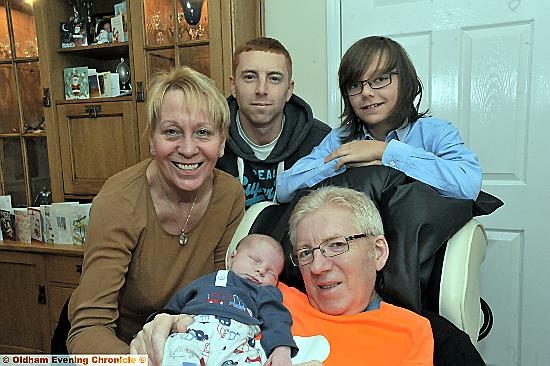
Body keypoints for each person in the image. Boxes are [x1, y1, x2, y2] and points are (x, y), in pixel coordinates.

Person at [130, 186, 434, 366]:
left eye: (336, 245)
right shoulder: (269, 295)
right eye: (305, 253)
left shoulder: (411, 331)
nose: (317, 267)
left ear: (378, 252)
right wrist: (166, 322)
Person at [67, 66, 245, 353]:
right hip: (123, 348)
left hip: (187, 345)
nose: (188, 149)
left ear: (222, 142)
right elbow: (89, 327)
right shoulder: (119, 201)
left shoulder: (229, 195)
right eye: (172, 132)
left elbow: (216, 296)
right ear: (152, 140)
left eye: (203, 132)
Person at [276, 36, 482, 204]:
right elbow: (284, 188)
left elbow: (468, 186)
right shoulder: (339, 138)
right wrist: (345, 161)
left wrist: (384, 152)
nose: (366, 92)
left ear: (405, 81)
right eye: (355, 85)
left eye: (380, 80)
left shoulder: (436, 132)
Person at [216, 37, 331, 208]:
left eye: (274, 79)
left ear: (289, 90)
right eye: (249, 77)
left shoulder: (319, 141)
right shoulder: (211, 138)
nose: (261, 90)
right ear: (233, 86)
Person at [161, 234, 297, 366]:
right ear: (232, 258)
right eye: (255, 260)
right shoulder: (207, 281)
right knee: (173, 353)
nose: (261, 270)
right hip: (192, 332)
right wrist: (161, 321)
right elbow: (172, 308)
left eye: (271, 272)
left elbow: (276, 317)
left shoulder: (263, 291)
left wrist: (281, 350)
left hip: (238, 344)